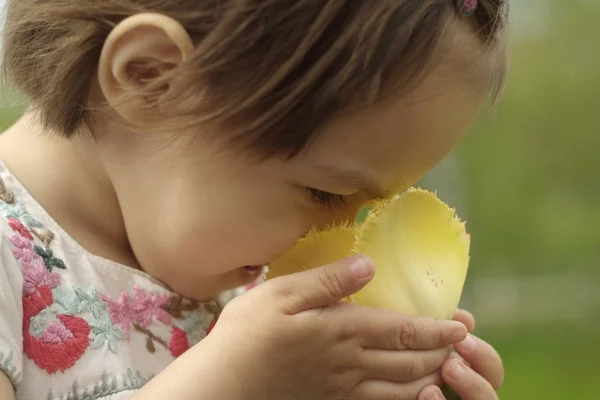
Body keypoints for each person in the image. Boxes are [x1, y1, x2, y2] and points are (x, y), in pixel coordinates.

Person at [0, 0, 508, 399]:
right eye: (326, 194)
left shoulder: (244, 285)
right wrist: (232, 384)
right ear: (152, 78)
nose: (349, 245)